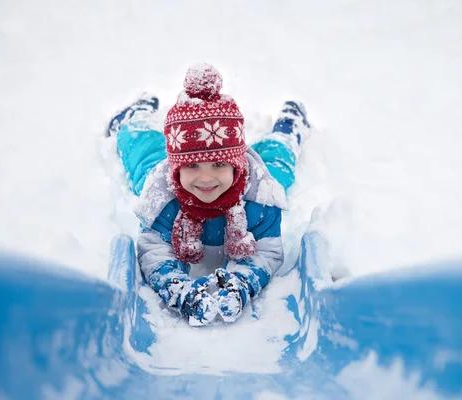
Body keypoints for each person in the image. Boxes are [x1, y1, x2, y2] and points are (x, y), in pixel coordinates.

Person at [108, 64, 311, 326]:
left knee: (277, 166)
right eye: (192, 166)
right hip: (172, 178)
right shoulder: (163, 197)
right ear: (176, 168)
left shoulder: (259, 196)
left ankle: (287, 131)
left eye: (218, 164)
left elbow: (265, 251)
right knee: (144, 156)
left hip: (244, 183)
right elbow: (155, 250)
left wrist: (242, 282)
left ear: (236, 165)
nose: (205, 178)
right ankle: (134, 119)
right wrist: (178, 289)